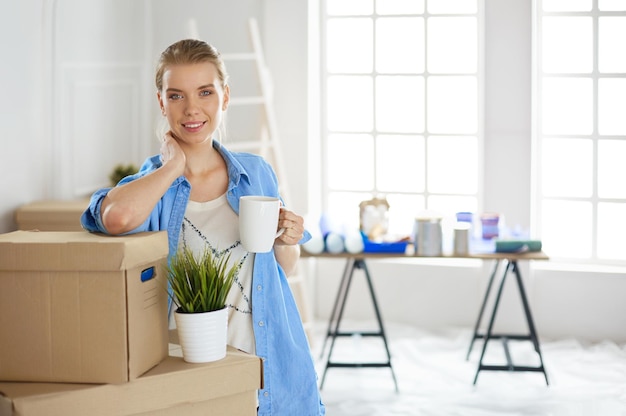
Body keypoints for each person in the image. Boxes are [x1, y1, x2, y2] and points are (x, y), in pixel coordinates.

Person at [81, 38, 325, 416]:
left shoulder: (256, 173)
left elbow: (284, 266)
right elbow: (116, 219)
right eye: (176, 96)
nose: (192, 109)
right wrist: (173, 167)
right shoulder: (153, 184)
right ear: (161, 102)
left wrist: (287, 237)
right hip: (189, 373)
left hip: (270, 362)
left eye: (205, 92)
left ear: (225, 97)